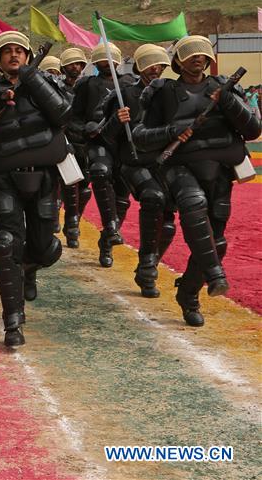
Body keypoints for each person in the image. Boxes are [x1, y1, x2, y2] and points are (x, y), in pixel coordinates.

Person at [134, 35, 260, 326]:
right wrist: (171, 131)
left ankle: (188, 294)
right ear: (177, 61)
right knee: (193, 204)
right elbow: (140, 137)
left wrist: (227, 100)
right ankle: (216, 276)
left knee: (217, 242)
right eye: (190, 54)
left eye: (202, 53)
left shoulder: (224, 87)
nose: (198, 58)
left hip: (220, 170)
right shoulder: (163, 92)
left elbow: (252, 130)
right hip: (180, 168)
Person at [0, 31, 70, 347]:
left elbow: (64, 113)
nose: (13, 55)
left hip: (44, 177)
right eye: (6, 51)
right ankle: (13, 321)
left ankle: (31, 264)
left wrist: (33, 80)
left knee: (45, 247)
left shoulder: (46, 82)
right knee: (4, 243)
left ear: (27, 56)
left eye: (18, 50)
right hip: (4, 180)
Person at [97, 44, 177, 297]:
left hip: (163, 163)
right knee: (152, 198)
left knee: (168, 223)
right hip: (132, 162)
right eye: (149, 64)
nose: (155, 69)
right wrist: (116, 120)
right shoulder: (123, 96)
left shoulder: (170, 92)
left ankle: (148, 265)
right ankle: (121, 249)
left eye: (159, 65)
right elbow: (106, 136)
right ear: (139, 66)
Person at [71, 43, 134, 267]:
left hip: (124, 143)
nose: (107, 62)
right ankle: (110, 226)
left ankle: (107, 241)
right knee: (99, 172)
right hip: (98, 142)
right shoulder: (87, 84)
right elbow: (74, 117)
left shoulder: (129, 83)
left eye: (111, 58)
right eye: (102, 59)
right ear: (95, 62)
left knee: (122, 197)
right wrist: (85, 129)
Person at [57, 47, 91, 248]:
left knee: (85, 189)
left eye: (79, 64)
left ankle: (75, 219)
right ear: (63, 67)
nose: (76, 67)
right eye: (71, 64)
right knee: (69, 187)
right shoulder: (57, 88)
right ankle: (71, 228)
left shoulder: (88, 87)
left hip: (85, 142)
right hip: (64, 143)